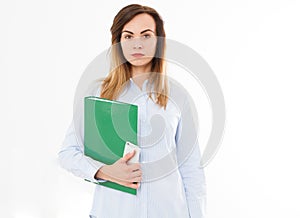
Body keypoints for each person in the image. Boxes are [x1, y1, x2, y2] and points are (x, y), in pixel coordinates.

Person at [58, 4, 206, 218]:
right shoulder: (99, 93)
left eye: (146, 35)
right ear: (118, 43)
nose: (137, 43)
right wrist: (104, 171)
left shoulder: (178, 96)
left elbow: (192, 170)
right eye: (128, 36)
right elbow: (68, 154)